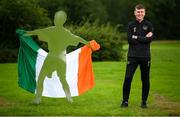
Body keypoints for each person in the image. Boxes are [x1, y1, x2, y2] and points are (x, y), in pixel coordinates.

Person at [26, 11, 94, 104]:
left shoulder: (51, 30)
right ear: (64, 21)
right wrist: (88, 43)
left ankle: (38, 99)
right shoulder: (66, 32)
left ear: (55, 20)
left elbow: (38, 31)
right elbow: (77, 38)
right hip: (62, 58)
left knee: (41, 77)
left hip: (52, 56)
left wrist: (26, 33)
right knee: (63, 79)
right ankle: (69, 98)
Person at [121, 4, 153, 108]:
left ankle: (144, 102)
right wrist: (143, 38)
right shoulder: (131, 25)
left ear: (144, 13)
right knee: (128, 78)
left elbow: (149, 39)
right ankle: (125, 101)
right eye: (138, 12)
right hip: (132, 56)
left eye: (142, 12)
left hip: (145, 57)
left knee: (145, 79)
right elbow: (130, 40)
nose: (140, 14)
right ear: (135, 13)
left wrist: (137, 37)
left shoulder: (149, 25)